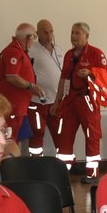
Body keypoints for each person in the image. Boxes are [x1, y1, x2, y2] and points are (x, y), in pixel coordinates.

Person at [53, 21, 107, 180]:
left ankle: (92, 173)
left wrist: (91, 73)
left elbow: (106, 76)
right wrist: (57, 100)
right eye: (72, 32)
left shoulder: (96, 53)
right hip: (70, 100)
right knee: (65, 135)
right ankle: (63, 172)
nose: (73, 36)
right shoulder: (68, 55)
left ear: (87, 36)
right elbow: (63, 78)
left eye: (77, 33)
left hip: (88, 101)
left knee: (92, 136)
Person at [0, 23, 45, 153]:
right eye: (34, 37)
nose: (33, 41)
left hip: (20, 108)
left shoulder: (19, 51)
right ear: (28, 37)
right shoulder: (14, 51)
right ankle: (10, 169)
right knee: (10, 141)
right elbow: (11, 76)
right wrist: (32, 86)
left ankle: (20, 168)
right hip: (12, 108)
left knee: (21, 141)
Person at [28, 19, 63, 157]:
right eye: (45, 32)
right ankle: (37, 165)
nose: (49, 35)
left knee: (60, 134)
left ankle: (65, 165)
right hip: (37, 101)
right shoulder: (31, 49)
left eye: (51, 31)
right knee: (37, 134)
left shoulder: (59, 50)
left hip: (56, 101)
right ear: (37, 33)